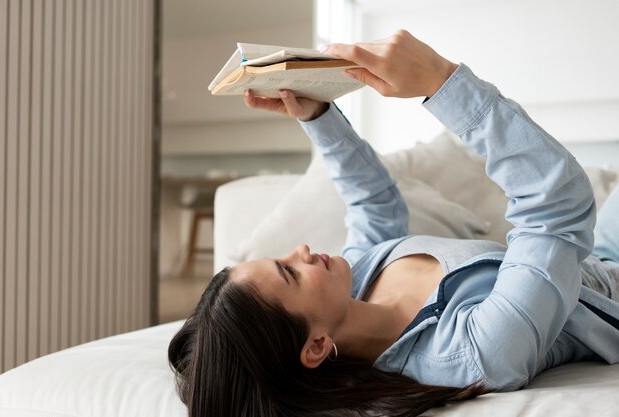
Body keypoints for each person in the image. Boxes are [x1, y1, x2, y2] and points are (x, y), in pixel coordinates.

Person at [168, 30, 619, 417]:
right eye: (289, 273)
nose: (300, 251)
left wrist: (316, 114)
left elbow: (375, 207)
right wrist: (442, 83)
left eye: (281, 257)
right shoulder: (470, 354)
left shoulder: (358, 282)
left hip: (598, 253)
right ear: (316, 348)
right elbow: (554, 208)